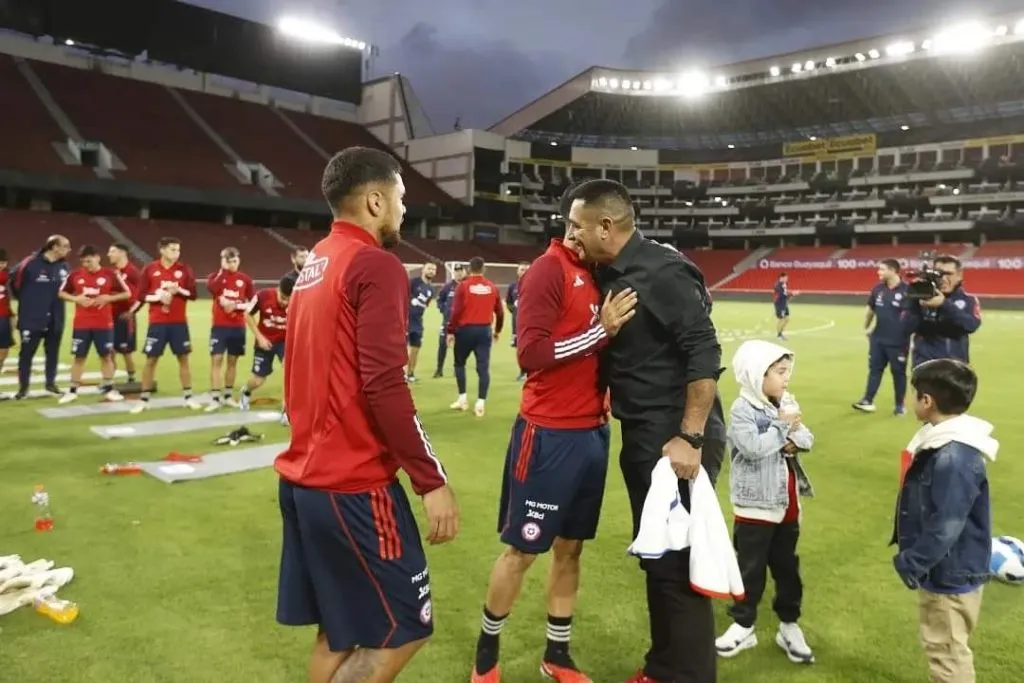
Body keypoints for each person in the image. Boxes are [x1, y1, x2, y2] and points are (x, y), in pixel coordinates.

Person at [275, 146, 459, 683]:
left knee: (340, 629)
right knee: (407, 626)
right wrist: (431, 480)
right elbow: (385, 383)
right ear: (376, 200)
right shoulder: (376, 265)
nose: (404, 210)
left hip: (306, 478)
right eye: (401, 198)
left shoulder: (317, 261)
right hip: (353, 484)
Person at [569, 179, 723, 683]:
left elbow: (704, 351)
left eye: (577, 226)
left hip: (674, 436)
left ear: (606, 227)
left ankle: (688, 675)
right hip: (646, 433)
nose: (571, 235)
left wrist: (691, 436)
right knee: (658, 558)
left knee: (676, 563)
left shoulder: (659, 271)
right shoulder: (623, 267)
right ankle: (664, 666)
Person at [470, 227, 637, 683]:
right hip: (548, 436)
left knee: (571, 549)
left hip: (592, 433)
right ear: (580, 226)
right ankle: (486, 655)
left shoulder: (597, 272)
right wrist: (599, 330)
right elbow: (532, 353)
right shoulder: (549, 270)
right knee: (522, 551)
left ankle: (557, 654)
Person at [893, 359, 997, 683]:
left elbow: (947, 524)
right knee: (947, 648)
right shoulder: (944, 441)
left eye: (915, 394)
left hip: (947, 573)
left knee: (948, 655)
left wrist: (911, 561)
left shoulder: (953, 456)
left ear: (928, 401)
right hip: (949, 567)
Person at [715, 340, 816, 664]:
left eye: (788, 371)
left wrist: (789, 437)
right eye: (780, 372)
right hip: (754, 507)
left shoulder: (785, 401)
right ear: (757, 374)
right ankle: (743, 624)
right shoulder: (742, 409)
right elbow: (752, 447)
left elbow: (806, 439)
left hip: (787, 505)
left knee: (788, 568)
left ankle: (789, 625)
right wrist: (784, 427)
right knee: (750, 568)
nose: (787, 378)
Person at [130, 237, 200, 413]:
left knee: (183, 359)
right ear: (162, 250)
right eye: (172, 249)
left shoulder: (184, 270)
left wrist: (179, 291)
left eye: (177, 250)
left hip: (178, 323)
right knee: (151, 360)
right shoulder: (150, 269)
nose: (176, 253)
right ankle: (144, 399)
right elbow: (141, 295)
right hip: (157, 322)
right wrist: (157, 297)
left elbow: (193, 294)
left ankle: (188, 397)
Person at [56, 245, 131, 403]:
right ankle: (72, 391)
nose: (86, 265)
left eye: (89, 261)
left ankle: (109, 389)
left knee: (106, 356)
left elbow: (127, 293)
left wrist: (107, 298)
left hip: (103, 324)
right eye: (83, 262)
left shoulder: (110, 274)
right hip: (81, 324)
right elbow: (61, 292)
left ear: (97, 257)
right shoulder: (75, 274)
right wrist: (76, 299)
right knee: (79, 357)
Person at [9, 234, 71, 399]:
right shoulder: (29, 263)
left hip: (56, 317)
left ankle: (50, 384)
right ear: (54, 247)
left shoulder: (64, 266)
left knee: (53, 353)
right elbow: (13, 283)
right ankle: (23, 388)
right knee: (26, 353)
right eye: (65, 246)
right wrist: (29, 302)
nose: (68, 249)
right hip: (32, 317)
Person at [446, 256, 504, 417]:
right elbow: (500, 313)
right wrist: (497, 331)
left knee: (459, 364)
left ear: (469, 269)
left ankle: (463, 399)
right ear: (484, 269)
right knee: (483, 368)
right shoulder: (492, 287)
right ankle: (480, 403)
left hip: (465, 330)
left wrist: (450, 330)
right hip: (484, 331)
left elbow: (456, 311)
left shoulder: (463, 286)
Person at [853, 259, 910, 415]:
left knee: (898, 373)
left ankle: (899, 405)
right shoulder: (878, 289)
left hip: (898, 341)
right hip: (878, 338)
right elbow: (871, 309)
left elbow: (913, 316)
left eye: (882, 269)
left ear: (893, 270)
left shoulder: (907, 291)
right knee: (874, 370)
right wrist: (866, 327)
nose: (879, 272)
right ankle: (868, 400)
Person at [904, 255, 981, 366]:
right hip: (924, 365)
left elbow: (971, 325)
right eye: (939, 274)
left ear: (959, 276)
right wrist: (913, 299)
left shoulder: (968, 300)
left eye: (949, 274)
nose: (944, 279)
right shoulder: (921, 297)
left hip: (955, 367)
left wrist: (944, 304)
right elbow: (906, 327)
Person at [205, 247, 255, 411]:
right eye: (229, 260)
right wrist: (223, 270)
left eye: (235, 260)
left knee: (232, 362)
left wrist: (236, 306)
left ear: (239, 260)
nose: (232, 264)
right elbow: (212, 289)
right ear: (223, 261)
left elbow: (252, 303)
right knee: (216, 360)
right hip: (219, 327)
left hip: (237, 327)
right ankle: (215, 397)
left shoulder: (245, 280)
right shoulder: (216, 277)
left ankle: (227, 396)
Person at [239, 274, 293, 412]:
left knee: (289, 373)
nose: (285, 303)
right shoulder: (262, 295)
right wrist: (260, 337)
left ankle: (286, 410)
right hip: (265, 341)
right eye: (283, 298)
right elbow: (247, 314)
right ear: (278, 290)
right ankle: (245, 391)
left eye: (289, 299)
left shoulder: (298, 299)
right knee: (258, 380)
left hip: (284, 342)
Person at [107, 243, 142, 384]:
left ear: (122, 253)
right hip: (110, 316)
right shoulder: (113, 272)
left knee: (125, 350)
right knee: (110, 349)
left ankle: (131, 378)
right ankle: (109, 379)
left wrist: (131, 312)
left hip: (125, 317)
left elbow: (142, 294)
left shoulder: (132, 272)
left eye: (112, 251)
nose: (109, 254)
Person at [406, 261, 437, 383]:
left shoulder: (431, 289)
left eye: (433, 270)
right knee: (401, 349)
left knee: (415, 348)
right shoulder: (413, 282)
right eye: (429, 268)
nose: (431, 271)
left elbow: (426, 305)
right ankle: (398, 374)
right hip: (406, 319)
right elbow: (403, 294)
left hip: (418, 322)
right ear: (423, 270)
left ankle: (410, 373)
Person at [433, 263, 465, 378]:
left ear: (464, 271)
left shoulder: (467, 286)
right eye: (456, 271)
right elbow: (439, 300)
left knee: (460, 348)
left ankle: (458, 370)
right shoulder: (447, 287)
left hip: (462, 323)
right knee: (442, 345)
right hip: (447, 322)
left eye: (460, 270)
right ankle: (439, 370)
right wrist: (444, 311)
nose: (459, 272)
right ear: (454, 272)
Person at [506, 261, 529, 380]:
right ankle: (522, 371)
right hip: (516, 323)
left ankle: (531, 372)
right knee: (519, 348)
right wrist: (516, 312)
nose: (524, 272)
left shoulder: (534, 285)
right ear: (517, 271)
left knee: (531, 347)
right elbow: (509, 302)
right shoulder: (512, 286)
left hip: (531, 323)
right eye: (522, 269)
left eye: (526, 269)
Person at [0, 248, 15, 370]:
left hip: (4, 316)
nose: (1, 265)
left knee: (4, 348)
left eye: (3, 262)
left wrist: (12, 315)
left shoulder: (8, 275)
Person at [773, 272, 792, 339]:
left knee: (787, 319)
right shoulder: (777, 285)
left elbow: (785, 293)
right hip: (779, 304)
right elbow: (782, 294)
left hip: (784, 303)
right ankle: (779, 335)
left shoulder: (784, 284)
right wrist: (791, 294)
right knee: (781, 319)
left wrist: (789, 296)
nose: (787, 279)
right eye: (786, 278)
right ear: (782, 277)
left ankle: (780, 333)